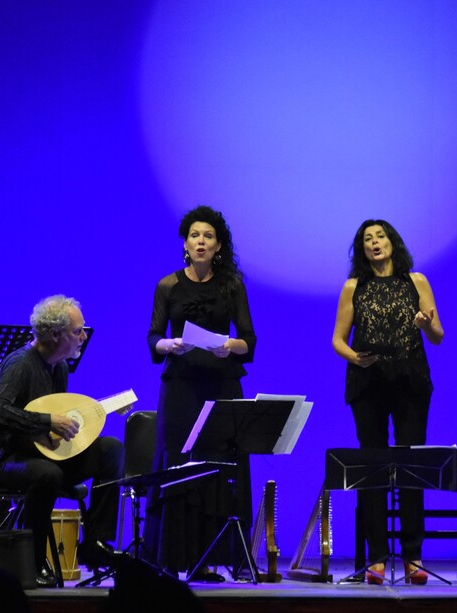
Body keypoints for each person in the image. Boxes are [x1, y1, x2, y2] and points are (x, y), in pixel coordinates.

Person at [144, 205, 256, 581]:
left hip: (221, 385)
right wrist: (169, 345)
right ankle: (172, 557)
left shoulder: (232, 286)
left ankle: (208, 559)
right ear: (186, 244)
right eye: (194, 235)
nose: (201, 241)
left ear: (218, 245)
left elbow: (249, 340)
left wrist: (230, 345)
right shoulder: (168, 285)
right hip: (181, 387)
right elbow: (153, 336)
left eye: (208, 236)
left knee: (218, 467)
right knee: (178, 464)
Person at [0, 295, 125, 588]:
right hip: (5, 459)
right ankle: (31, 560)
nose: (84, 337)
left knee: (111, 449)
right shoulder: (19, 363)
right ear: (55, 334)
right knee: (49, 475)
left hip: (42, 455)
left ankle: (94, 543)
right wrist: (47, 422)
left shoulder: (59, 366)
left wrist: (94, 414)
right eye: (77, 331)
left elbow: (55, 417)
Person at [331, 219, 444, 585]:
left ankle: (413, 556)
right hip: (368, 383)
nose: (375, 242)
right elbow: (338, 340)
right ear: (362, 249)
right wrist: (354, 357)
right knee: (374, 467)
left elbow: (438, 335)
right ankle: (378, 558)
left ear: (393, 242)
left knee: (410, 465)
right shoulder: (354, 286)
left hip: (410, 381)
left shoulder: (417, 281)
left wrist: (424, 323)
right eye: (367, 239)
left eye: (380, 236)